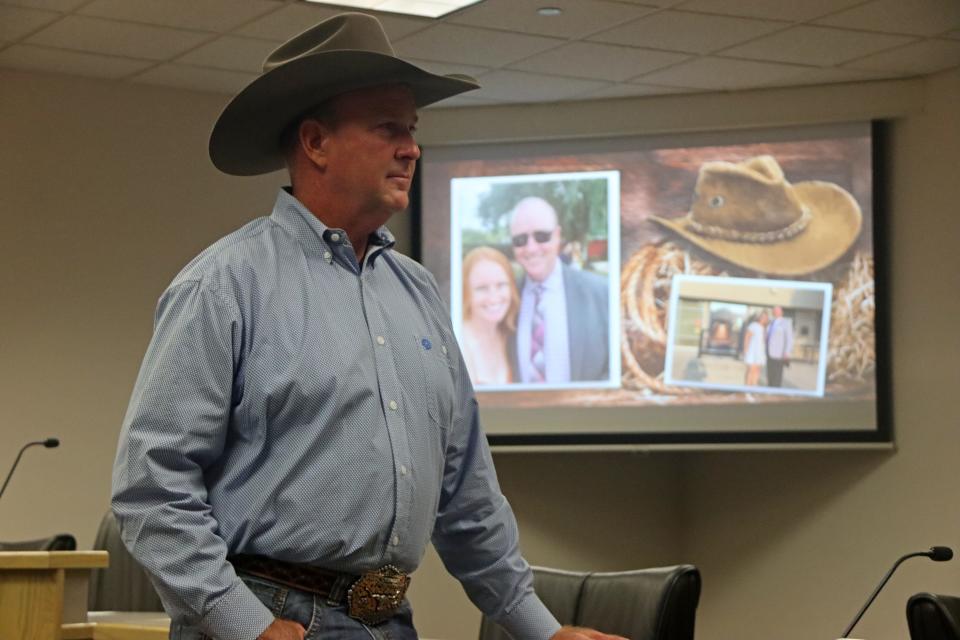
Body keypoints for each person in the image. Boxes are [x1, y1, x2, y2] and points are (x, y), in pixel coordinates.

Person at [110, 13, 625, 640]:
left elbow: (466, 494)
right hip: (268, 619)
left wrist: (541, 630)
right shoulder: (226, 283)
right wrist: (243, 623)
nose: (410, 147)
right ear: (316, 143)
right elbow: (150, 486)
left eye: (411, 130)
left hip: (389, 621)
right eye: (387, 128)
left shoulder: (419, 293)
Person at [509, 196, 609, 384]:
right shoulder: (505, 300)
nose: (531, 248)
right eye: (520, 240)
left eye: (541, 236)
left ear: (557, 236)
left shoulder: (602, 294)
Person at [460, 247, 520, 385]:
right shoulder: (459, 342)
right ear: (466, 292)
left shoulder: (509, 335)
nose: (494, 297)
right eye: (482, 288)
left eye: (501, 285)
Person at [765, 305, 794, 388]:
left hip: (779, 353)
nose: (775, 312)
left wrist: (787, 352)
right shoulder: (771, 322)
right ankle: (769, 389)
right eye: (774, 311)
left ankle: (775, 391)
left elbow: (789, 339)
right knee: (770, 373)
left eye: (777, 311)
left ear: (781, 312)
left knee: (777, 374)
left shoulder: (786, 323)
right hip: (769, 352)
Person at [742, 310, 769, 386]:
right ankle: (747, 390)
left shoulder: (765, 328)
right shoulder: (753, 325)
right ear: (759, 317)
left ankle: (754, 388)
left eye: (765, 317)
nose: (764, 318)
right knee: (751, 371)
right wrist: (745, 350)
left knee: (757, 371)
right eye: (762, 317)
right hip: (752, 352)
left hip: (760, 353)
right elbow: (747, 337)